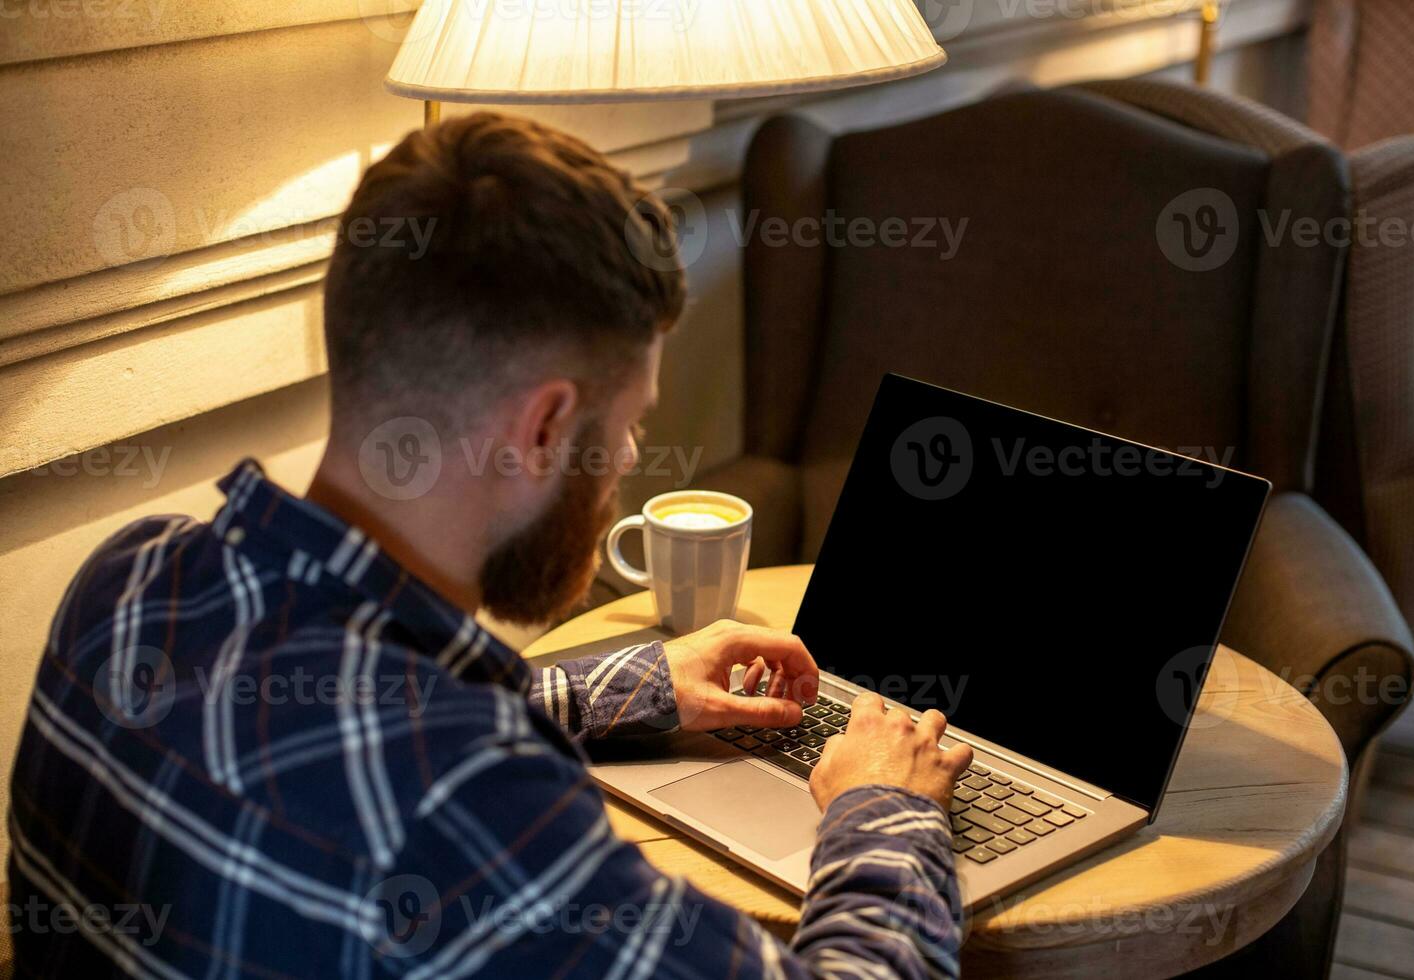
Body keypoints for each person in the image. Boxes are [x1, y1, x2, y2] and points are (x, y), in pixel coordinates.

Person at [8, 113, 973, 978]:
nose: (631, 457)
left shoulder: (127, 580)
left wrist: (625, 690)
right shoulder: (478, 808)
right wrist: (884, 807)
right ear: (545, 428)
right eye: (630, 423)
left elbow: (347, 711)